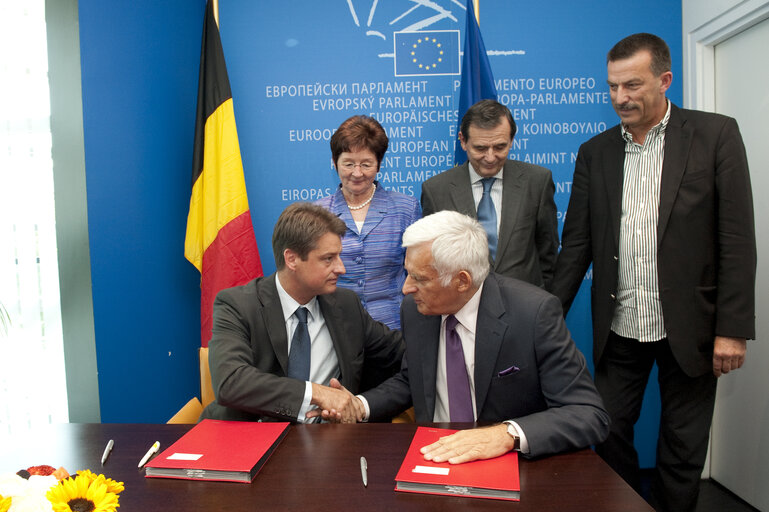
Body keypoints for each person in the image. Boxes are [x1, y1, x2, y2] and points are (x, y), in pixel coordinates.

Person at [549, 33, 756, 511]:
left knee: (683, 445)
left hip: (694, 325)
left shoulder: (715, 135)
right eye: (613, 87)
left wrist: (732, 329)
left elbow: (737, 240)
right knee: (608, 425)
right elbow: (576, 244)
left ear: (665, 80)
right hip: (621, 327)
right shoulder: (595, 152)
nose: (621, 97)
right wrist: (547, 313)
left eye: (633, 85)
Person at [312, 211, 609, 462]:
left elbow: (588, 414)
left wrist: (506, 434)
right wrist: (359, 406)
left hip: (507, 463)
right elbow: (412, 379)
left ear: (462, 281)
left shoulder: (533, 314)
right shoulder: (415, 310)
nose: (406, 288)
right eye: (407, 273)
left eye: (420, 278)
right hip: (433, 456)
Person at [200, 202, 405, 423]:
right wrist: (316, 393)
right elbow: (231, 382)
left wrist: (363, 405)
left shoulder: (346, 306)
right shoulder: (238, 305)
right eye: (328, 259)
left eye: (339, 256)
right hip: (248, 438)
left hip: (326, 443)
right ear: (292, 259)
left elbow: (404, 353)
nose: (341, 268)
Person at [420, 99, 558, 288]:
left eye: (500, 147)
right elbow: (432, 258)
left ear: (511, 140)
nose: (490, 157)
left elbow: (547, 252)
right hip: (463, 306)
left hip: (524, 306)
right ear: (463, 140)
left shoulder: (537, 181)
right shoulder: (437, 190)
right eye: (480, 148)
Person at [317, 115, 421, 329]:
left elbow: (418, 272)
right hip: (336, 326)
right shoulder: (318, 213)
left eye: (366, 164)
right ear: (334, 162)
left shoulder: (406, 208)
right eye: (348, 164)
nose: (357, 173)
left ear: (379, 164)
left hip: (393, 326)